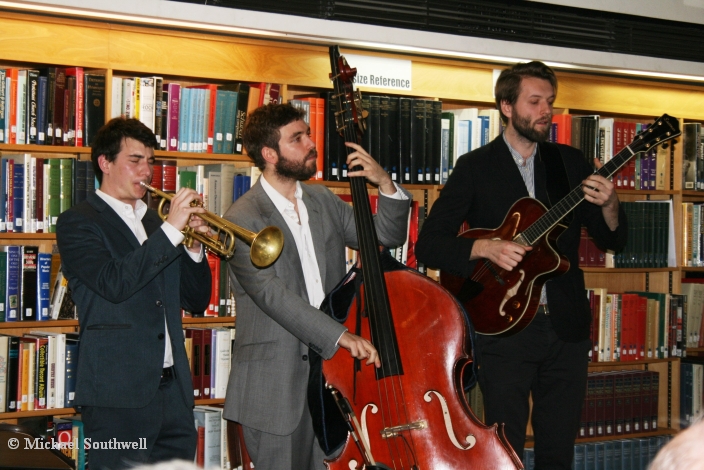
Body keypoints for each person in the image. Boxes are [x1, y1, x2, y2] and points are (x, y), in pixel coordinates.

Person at [415, 61, 628, 469]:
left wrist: (612, 204)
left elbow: (611, 239)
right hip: (503, 328)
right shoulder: (475, 167)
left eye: (549, 101)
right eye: (535, 101)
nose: (546, 110)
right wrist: (485, 249)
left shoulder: (570, 162)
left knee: (558, 447)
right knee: (505, 445)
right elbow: (429, 245)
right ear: (507, 107)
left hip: (566, 326)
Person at [223, 103, 411, 470]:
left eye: (308, 133)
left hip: (330, 383)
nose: (312, 143)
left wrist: (385, 183)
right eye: (298, 138)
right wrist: (340, 336)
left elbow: (386, 235)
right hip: (273, 388)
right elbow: (271, 295)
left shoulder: (322, 199)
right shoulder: (242, 217)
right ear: (269, 154)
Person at [56, 118, 212, 470]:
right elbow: (114, 283)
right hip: (118, 395)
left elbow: (196, 301)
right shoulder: (79, 222)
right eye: (136, 160)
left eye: (151, 162)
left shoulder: (158, 224)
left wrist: (194, 247)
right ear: (105, 163)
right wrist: (173, 230)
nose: (147, 171)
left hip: (174, 393)